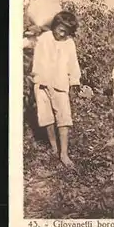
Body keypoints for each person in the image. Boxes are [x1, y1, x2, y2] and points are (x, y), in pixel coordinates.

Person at [31, 11, 81, 169]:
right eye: (60, 28)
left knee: (64, 118)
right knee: (47, 118)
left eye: (66, 31)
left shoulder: (69, 43)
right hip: (42, 83)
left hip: (60, 85)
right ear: (54, 25)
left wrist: (74, 81)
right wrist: (38, 79)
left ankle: (64, 153)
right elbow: (36, 57)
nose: (62, 33)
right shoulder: (44, 38)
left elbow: (73, 64)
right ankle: (54, 147)